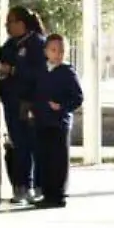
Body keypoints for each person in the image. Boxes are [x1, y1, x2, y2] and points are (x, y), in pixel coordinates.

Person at [0, 7, 46, 205]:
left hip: (30, 103)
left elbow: (39, 73)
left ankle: (33, 186)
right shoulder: (9, 45)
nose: (7, 26)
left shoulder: (37, 44)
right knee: (18, 144)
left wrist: (15, 70)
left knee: (31, 144)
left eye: (11, 21)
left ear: (22, 23)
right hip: (11, 102)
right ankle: (20, 187)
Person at [30, 34, 83, 210]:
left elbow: (78, 97)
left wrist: (61, 106)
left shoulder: (67, 72)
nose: (58, 54)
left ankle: (58, 195)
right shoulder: (41, 70)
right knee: (43, 157)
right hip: (42, 121)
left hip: (59, 123)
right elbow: (35, 92)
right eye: (53, 50)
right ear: (46, 51)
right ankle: (47, 194)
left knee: (58, 160)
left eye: (61, 50)